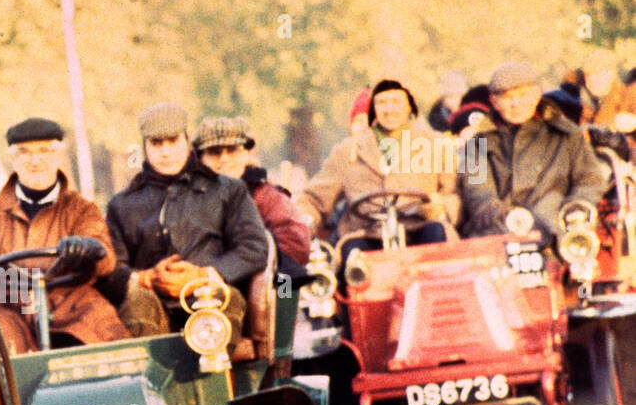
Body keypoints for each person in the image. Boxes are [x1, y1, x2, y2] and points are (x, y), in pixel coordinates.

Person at [0, 117, 129, 354]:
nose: (35, 161)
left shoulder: (81, 209)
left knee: (109, 342)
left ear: (58, 156)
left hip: (71, 304)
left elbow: (105, 256)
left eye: (45, 151)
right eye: (25, 152)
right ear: (13, 159)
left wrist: (88, 248)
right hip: (12, 309)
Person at [102, 102, 267, 344]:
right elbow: (110, 268)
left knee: (221, 304)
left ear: (187, 141)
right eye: (156, 143)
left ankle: (214, 380)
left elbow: (254, 248)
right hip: (150, 300)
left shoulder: (227, 190)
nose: (166, 152)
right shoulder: (122, 204)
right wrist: (146, 278)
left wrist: (205, 274)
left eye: (173, 141)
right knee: (136, 303)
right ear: (145, 146)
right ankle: (148, 379)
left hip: (209, 292)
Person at [296, 78, 459, 257]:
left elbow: (456, 194)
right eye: (382, 103)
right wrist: (306, 219)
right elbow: (314, 199)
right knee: (352, 254)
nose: (389, 110)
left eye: (396, 102)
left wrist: (440, 206)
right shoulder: (348, 150)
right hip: (368, 233)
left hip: (419, 228)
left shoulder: (435, 144)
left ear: (409, 106)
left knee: (437, 235)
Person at [461, 61, 607, 241]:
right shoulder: (478, 143)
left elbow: (589, 179)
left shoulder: (566, 135)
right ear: (494, 102)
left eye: (523, 95)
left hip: (556, 229)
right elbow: (478, 189)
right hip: (499, 230)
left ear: (537, 95)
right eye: (507, 97)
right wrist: (494, 210)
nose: (516, 103)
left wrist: (575, 207)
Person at [193, 116, 310, 271]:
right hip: (197, 279)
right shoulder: (188, 195)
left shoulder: (266, 196)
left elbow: (295, 243)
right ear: (201, 158)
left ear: (246, 154)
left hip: (257, 276)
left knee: (288, 282)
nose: (224, 159)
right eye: (214, 152)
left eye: (232, 150)